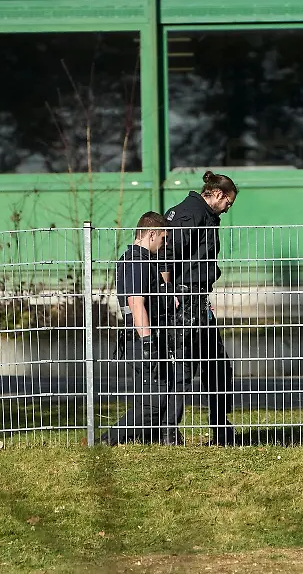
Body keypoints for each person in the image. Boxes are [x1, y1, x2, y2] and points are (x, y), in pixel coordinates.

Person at [159, 171, 241, 446]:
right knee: (184, 367)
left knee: (217, 365)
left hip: (199, 300)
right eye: (228, 203)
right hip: (185, 301)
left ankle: (220, 427)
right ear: (217, 194)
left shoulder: (204, 215)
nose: (228, 209)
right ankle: (169, 430)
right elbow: (165, 253)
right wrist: (170, 292)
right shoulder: (190, 213)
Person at [101, 212, 177, 446]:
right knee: (153, 403)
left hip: (142, 336)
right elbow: (136, 302)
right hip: (141, 338)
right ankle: (108, 439)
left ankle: (153, 439)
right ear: (151, 234)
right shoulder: (137, 260)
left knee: (156, 393)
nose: (164, 244)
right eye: (163, 238)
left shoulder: (142, 260)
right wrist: (147, 343)